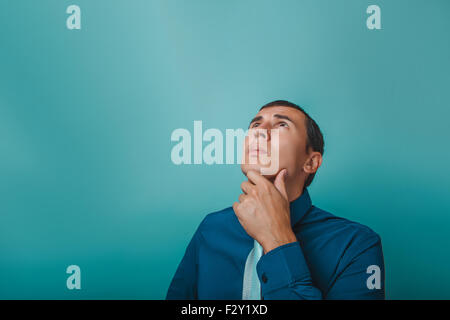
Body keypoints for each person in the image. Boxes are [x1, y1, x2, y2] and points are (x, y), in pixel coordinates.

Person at [166, 100, 385, 299]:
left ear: (311, 162)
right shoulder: (210, 229)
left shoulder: (356, 245)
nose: (260, 133)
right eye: (255, 126)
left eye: (282, 125)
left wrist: (278, 240)